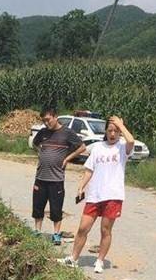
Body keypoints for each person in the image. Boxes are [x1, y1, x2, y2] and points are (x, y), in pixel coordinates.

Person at [58, 115, 135, 272]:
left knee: (105, 230)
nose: (112, 134)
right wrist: (81, 186)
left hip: (113, 195)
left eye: (116, 131)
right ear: (105, 132)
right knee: (82, 228)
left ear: (120, 132)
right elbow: (89, 170)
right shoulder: (98, 147)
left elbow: (131, 141)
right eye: (110, 130)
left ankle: (100, 260)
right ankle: (73, 258)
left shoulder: (122, 148)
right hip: (95, 195)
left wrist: (121, 125)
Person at [32, 106, 86, 245]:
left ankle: (56, 234)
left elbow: (82, 147)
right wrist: (40, 152)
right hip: (41, 177)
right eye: (44, 121)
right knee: (38, 206)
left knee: (56, 208)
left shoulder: (67, 133)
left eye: (48, 120)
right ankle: (37, 231)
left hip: (56, 179)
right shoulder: (43, 132)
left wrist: (68, 158)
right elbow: (35, 143)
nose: (46, 123)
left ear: (55, 117)